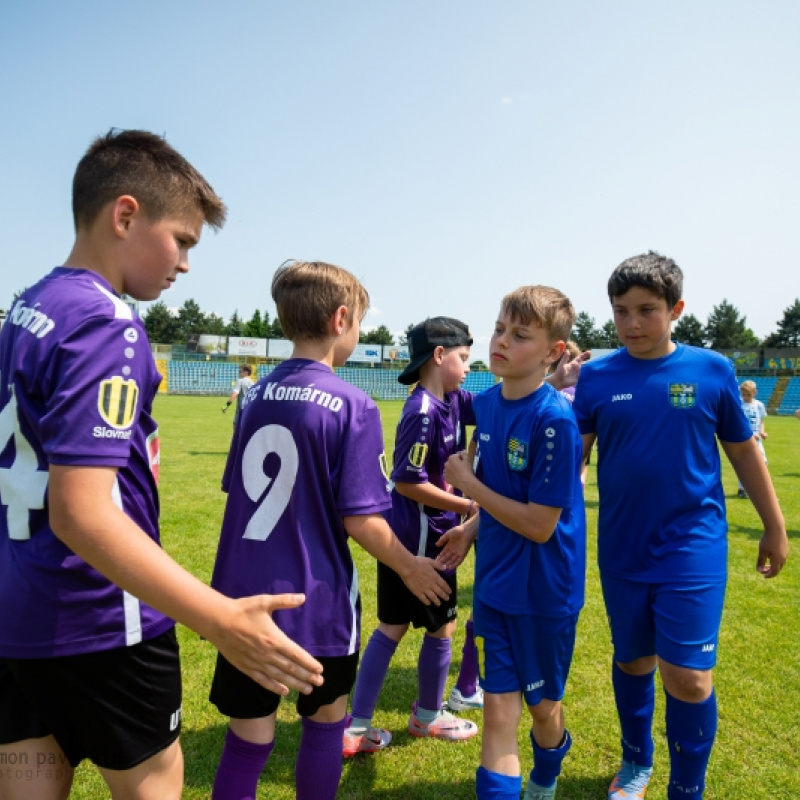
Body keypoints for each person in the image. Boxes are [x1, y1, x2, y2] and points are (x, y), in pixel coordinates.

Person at [0, 130, 324, 800]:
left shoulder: (28, 307)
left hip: (17, 613)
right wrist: (219, 618)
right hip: (100, 618)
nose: (184, 264)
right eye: (182, 239)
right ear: (125, 216)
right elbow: (81, 510)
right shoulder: (106, 323)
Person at [208, 261, 451, 800]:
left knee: (248, 733)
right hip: (316, 602)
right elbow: (362, 518)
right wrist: (410, 566)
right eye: (360, 321)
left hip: (241, 596)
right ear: (342, 319)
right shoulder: (353, 404)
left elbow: (241, 494)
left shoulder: (250, 398)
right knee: (324, 722)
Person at [571, 251, 788, 800]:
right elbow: (575, 459)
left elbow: (743, 454)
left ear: (677, 310)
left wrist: (774, 526)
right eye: (621, 311)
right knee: (632, 658)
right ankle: (637, 762)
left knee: (688, 676)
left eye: (646, 310)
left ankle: (686, 788)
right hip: (622, 546)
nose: (632, 324)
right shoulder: (596, 378)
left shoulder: (710, 369)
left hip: (693, 544)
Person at [444, 286, 586, 800]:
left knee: (543, 709)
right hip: (495, 585)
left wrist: (469, 488)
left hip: (546, 593)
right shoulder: (486, 404)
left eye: (520, 335)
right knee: (499, 710)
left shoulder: (555, 422)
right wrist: (471, 526)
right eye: (501, 328)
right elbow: (503, 492)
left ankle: (547, 771)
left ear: (553, 352)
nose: (501, 341)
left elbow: (539, 525)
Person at [343, 317, 481, 759]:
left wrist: (554, 377)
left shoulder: (456, 399)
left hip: (417, 536)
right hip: (422, 540)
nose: (467, 367)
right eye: (463, 358)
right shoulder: (422, 412)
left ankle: (361, 724)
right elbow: (406, 481)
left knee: (409, 625)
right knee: (437, 626)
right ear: (440, 356)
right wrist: (468, 504)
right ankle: (424, 716)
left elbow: (500, 403)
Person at [737, 379, 768, 499]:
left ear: (755, 392)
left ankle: (760, 488)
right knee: (744, 463)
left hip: (757, 439)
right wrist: (749, 433)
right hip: (744, 438)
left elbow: (761, 421)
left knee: (763, 462)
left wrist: (762, 432)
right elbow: (739, 422)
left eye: (748, 394)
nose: (745, 397)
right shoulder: (739, 405)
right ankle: (741, 489)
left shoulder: (759, 405)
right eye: (743, 394)